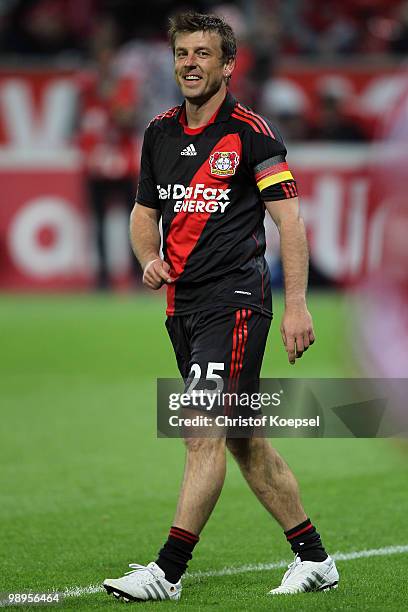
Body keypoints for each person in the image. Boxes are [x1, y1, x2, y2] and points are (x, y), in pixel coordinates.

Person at [103, 11, 339, 602]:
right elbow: (143, 213)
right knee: (244, 439)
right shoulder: (158, 133)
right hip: (182, 307)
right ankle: (315, 559)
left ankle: (168, 571)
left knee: (201, 428)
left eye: (203, 54)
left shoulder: (252, 134)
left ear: (228, 65)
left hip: (235, 302)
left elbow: (289, 221)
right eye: (182, 53)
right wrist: (147, 257)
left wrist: (297, 306)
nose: (190, 63)